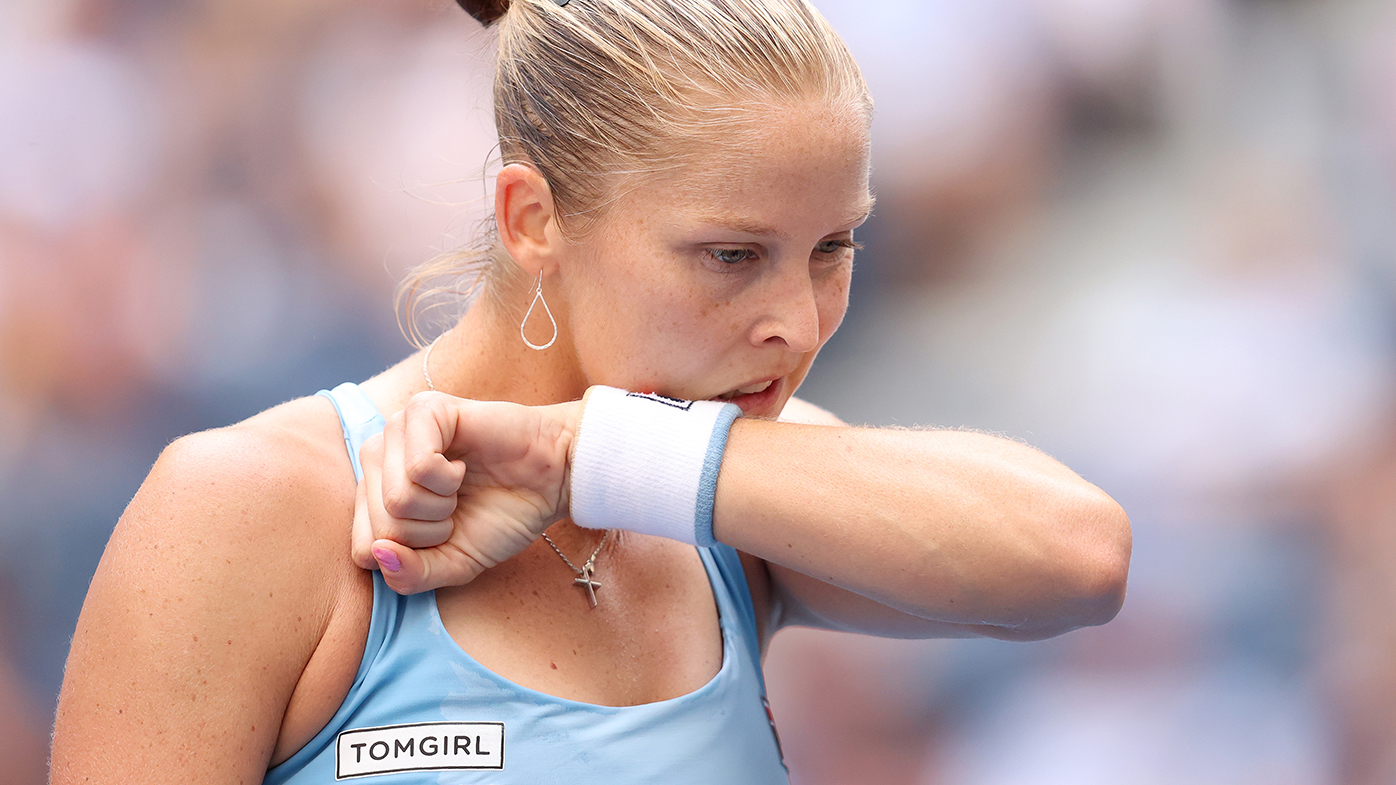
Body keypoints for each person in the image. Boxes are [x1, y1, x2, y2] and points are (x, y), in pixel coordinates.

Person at [51, 0, 1131, 781]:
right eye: (728, 254)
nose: (796, 323)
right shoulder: (243, 503)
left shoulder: (709, 477)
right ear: (532, 218)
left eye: (832, 245)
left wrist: (581, 456)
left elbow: (1080, 558)